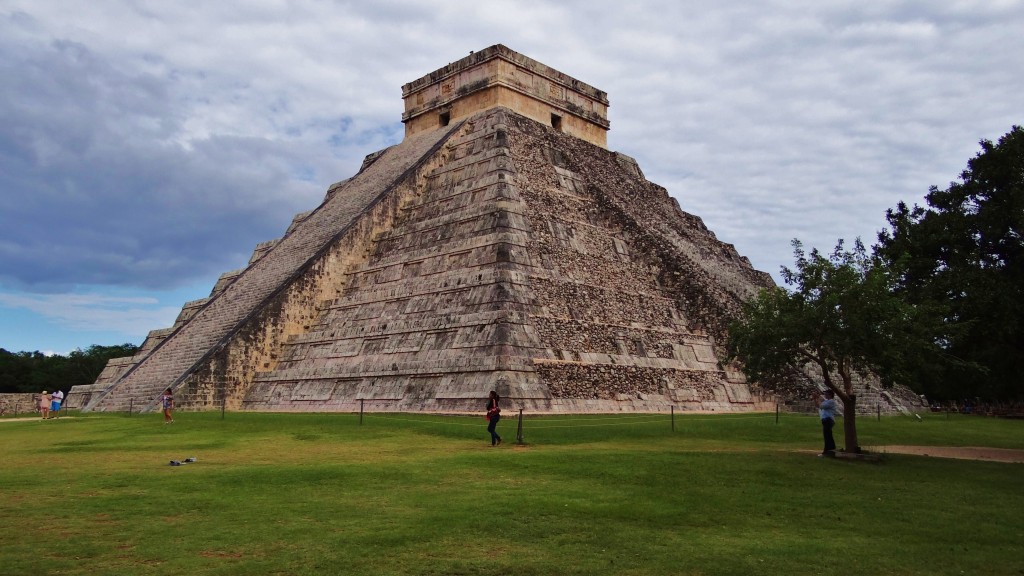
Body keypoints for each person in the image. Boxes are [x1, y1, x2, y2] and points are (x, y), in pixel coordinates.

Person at [818, 389, 839, 457]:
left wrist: (819, 400)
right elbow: (818, 406)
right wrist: (815, 399)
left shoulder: (831, 401)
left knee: (827, 437)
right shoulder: (826, 401)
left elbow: (821, 406)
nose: (824, 395)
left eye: (826, 394)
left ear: (830, 394)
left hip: (828, 420)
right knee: (828, 436)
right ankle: (831, 450)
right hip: (825, 420)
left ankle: (826, 452)